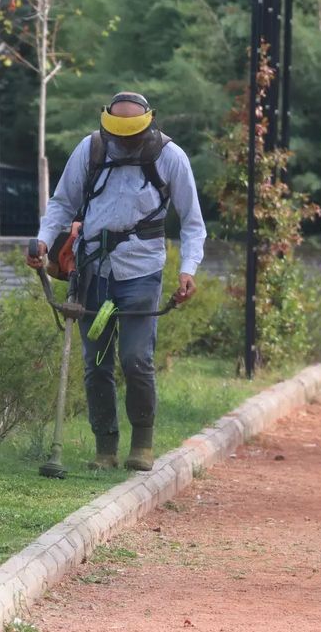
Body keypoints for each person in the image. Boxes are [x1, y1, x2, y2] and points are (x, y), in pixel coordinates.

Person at [26, 92, 207, 471]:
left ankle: (142, 442)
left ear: (147, 125)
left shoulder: (170, 157)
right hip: (93, 270)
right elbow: (62, 203)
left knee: (136, 358)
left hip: (141, 271)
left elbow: (193, 223)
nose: (123, 144)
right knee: (97, 363)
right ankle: (104, 448)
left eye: (131, 136)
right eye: (117, 136)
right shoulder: (90, 150)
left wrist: (188, 269)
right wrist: (43, 239)